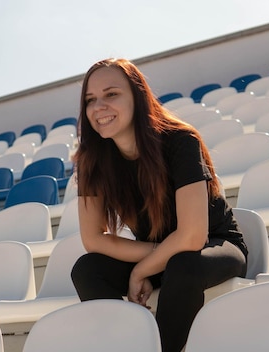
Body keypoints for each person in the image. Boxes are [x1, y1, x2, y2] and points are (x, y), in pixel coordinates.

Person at [70, 58, 248, 352]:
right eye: (90, 100)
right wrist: (155, 256)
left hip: (212, 246)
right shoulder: (92, 162)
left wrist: (140, 271)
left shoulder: (180, 140)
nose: (98, 106)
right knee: (87, 270)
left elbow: (193, 237)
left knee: (183, 263)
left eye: (111, 94)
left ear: (137, 97)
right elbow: (93, 240)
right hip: (161, 254)